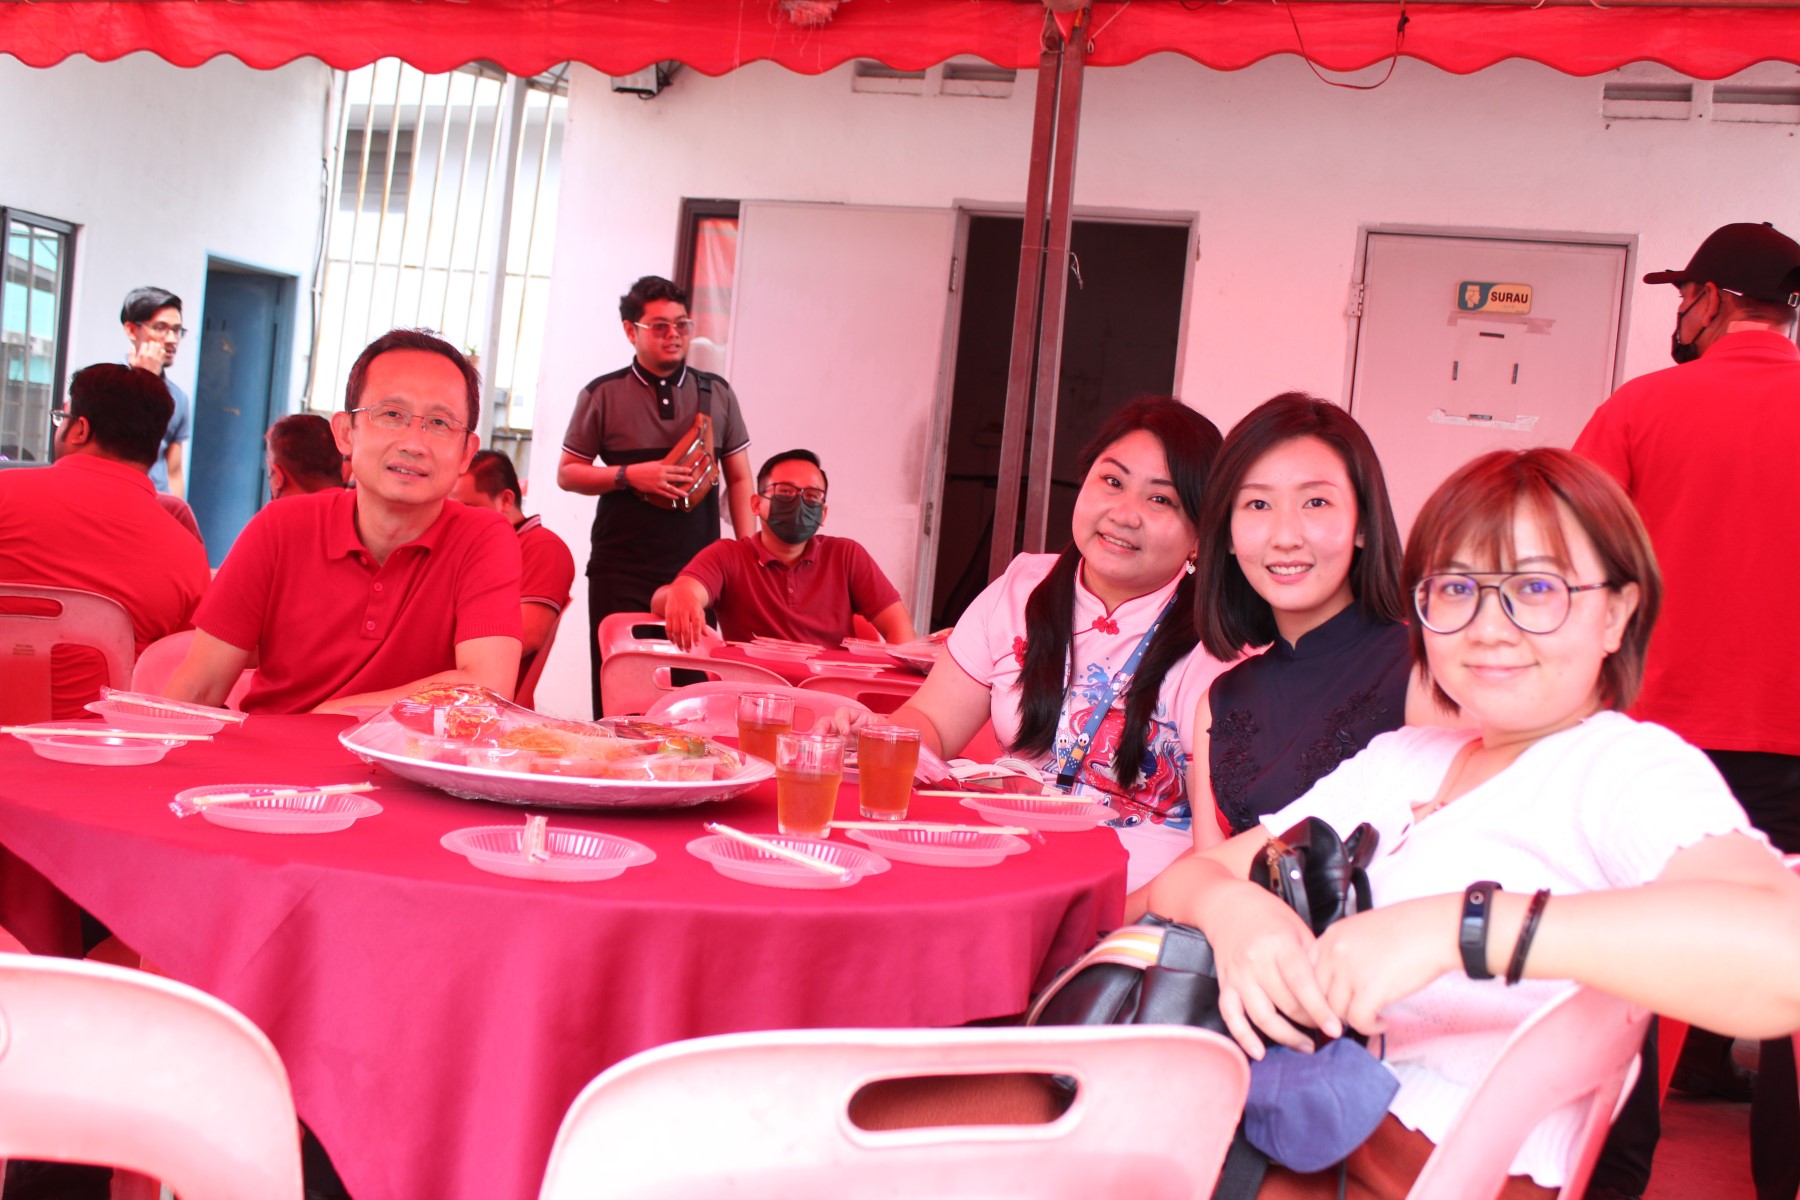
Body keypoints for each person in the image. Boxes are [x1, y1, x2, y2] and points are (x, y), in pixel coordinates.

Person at [1142, 447, 1800, 1200]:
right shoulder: (1406, 759)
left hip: (1420, 1166)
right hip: (1312, 1123)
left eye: (1537, 587)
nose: (1490, 626)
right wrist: (1236, 913)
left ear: (1616, 613)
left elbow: (1784, 955)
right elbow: (1190, 878)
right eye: (1457, 587)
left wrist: (1459, 928)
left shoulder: (1621, 768)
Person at [1573, 220, 1800, 1199]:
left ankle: (1614, 1184)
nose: (1679, 314)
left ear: (1711, 299)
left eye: (1683, 298)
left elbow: (1565, 563)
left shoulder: (1641, 408)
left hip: (1657, 748)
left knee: (1639, 988)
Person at [840, 397, 1231, 892]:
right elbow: (933, 722)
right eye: (1111, 481)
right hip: (1001, 868)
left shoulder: (1216, 646)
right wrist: (878, 737)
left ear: (1201, 535)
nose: (1124, 514)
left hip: (1131, 898)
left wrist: (1107, 919)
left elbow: (1215, 849)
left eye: (1161, 500)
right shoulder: (1021, 589)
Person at [164, 329, 522, 715]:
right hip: (268, 769)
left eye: (439, 423)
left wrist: (327, 717)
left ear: (467, 451)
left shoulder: (483, 538)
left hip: (401, 773)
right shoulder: (280, 528)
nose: (414, 443)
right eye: (391, 415)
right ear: (346, 433)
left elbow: (487, 688)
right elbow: (199, 688)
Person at [1187, 394, 1430, 845]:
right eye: (1258, 505)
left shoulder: (1424, 671)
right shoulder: (1219, 701)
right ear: (1228, 537)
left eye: (1316, 502)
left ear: (1362, 524)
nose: (1285, 537)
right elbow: (1205, 872)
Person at [557, 275, 755, 717]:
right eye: (660, 326)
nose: (674, 335)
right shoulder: (602, 393)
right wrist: (630, 475)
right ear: (631, 331)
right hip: (620, 567)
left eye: (681, 325)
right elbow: (568, 473)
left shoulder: (716, 393)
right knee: (621, 691)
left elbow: (740, 479)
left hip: (698, 573)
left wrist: (745, 554)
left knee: (694, 690)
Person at [0, 364, 210, 718]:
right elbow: (185, 674)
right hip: (98, 751)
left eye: (62, 417)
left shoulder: (5, 495)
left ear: (79, 428)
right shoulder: (187, 554)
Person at [652, 448, 917, 650]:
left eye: (812, 496)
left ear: (823, 513)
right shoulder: (729, 556)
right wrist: (681, 595)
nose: (799, 503)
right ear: (756, 504)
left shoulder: (847, 556)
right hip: (752, 703)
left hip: (832, 705)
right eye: (785, 492)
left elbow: (899, 628)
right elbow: (679, 594)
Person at [454, 448, 576, 705]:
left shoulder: (542, 547)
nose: (457, 519)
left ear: (506, 500)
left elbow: (528, 635)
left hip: (484, 704)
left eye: (468, 507)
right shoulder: (475, 547)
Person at [120, 286, 191, 495]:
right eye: (160, 328)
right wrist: (145, 378)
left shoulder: (178, 398)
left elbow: (174, 472)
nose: (172, 339)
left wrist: (177, 519)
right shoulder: (103, 386)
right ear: (132, 330)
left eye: (177, 330)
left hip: (156, 506)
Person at [266, 413, 349, 499]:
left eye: (270, 475)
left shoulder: (272, 512)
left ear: (278, 478)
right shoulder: (360, 507)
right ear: (342, 469)